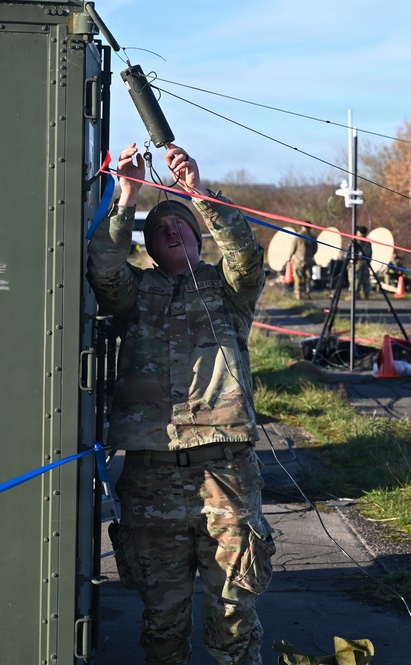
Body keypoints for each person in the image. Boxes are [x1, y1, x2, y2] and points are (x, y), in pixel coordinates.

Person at [86, 143, 275, 665]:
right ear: (149, 248)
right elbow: (104, 270)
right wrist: (128, 194)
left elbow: (245, 255)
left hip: (225, 474)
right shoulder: (136, 294)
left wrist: (196, 193)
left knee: (234, 617)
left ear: (197, 236)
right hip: (150, 477)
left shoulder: (227, 290)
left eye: (181, 225)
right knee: (162, 623)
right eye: (160, 230)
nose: (171, 231)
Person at [289, 222, 317, 299]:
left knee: (298, 277)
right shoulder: (313, 236)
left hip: (298, 260)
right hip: (309, 260)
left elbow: (293, 248)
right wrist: (310, 255)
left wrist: (290, 257)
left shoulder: (298, 235)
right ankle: (307, 293)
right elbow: (315, 249)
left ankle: (298, 294)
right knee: (308, 277)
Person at [353, 226, 372, 299]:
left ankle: (365, 294)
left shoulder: (367, 243)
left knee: (365, 280)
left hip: (364, 263)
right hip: (357, 263)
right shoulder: (355, 242)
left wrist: (368, 261)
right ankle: (356, 294)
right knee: (356, 280)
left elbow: (369, 253)